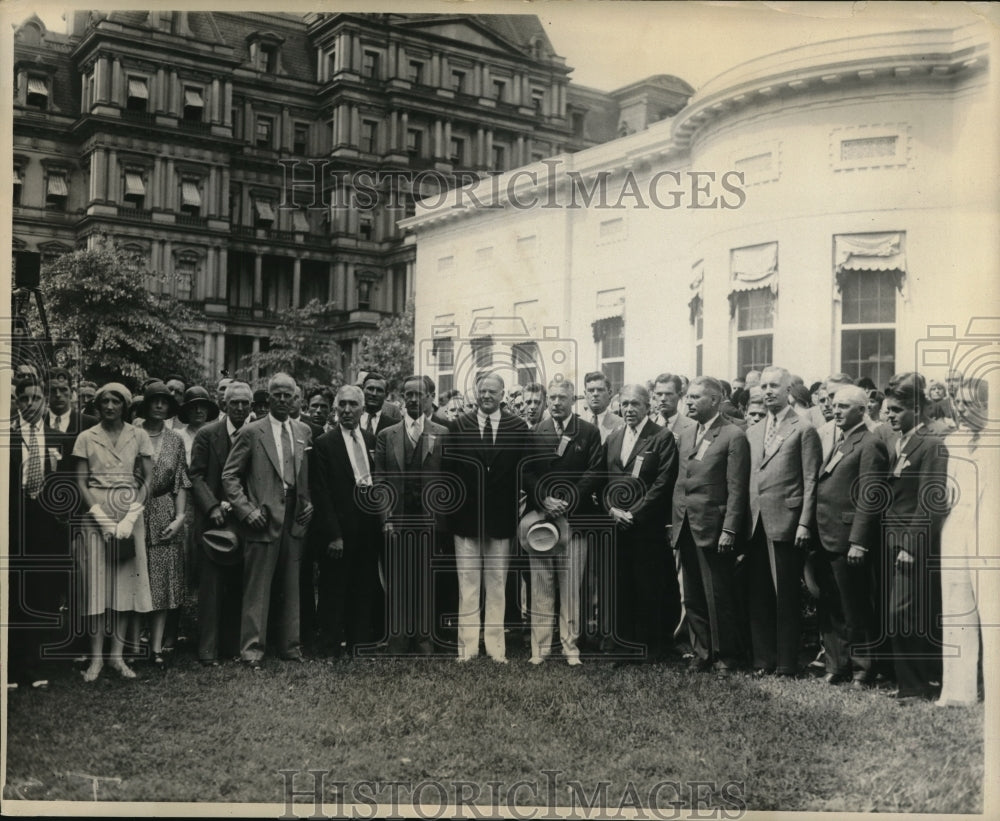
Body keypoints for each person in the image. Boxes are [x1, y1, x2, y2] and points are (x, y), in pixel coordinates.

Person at [221, 373, 314, 669]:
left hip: (294, 519)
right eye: (278, 395)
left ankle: (290, 646)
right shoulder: (252, 432)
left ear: (296, 398)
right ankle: (252, 650)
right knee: (257, 588)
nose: (283, 400)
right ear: (268, 398)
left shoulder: (302, 431)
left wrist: (308, 503)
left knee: (292, 586)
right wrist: (246, 510)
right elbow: (229, 475)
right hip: (262, 518)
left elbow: (305, 475)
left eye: (289, 395)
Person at [444, 372, 530, 663]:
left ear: (503, 394)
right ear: (475, 393)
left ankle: (496, 649)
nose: (487, 396)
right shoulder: (458, 426)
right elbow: (449, 473)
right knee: (467, 586)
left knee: (497, 585)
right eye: (482, 391)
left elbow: (525, 471)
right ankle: (467, 649)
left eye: (493, 391)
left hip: (501, 520)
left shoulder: (518, 427)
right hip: (465, 519)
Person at [73, 383, 154, 681]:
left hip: (129, 513)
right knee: (95, 588)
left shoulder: (139, 435)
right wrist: (105, 521)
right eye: (104, 401)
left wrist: (130, 518)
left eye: (115, 401)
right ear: (98, 405)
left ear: (125, 405)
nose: (109, 406)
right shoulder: (86, 437)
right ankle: (95, 660)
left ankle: (116, 658)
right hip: (95, 516)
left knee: (122, 588)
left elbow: (148, 478)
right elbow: (82, 482)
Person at [745, 366, 821, 676]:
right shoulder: (754, 431)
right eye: (763, 386)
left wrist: (804, 523)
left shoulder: (802, 429)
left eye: (774, 385)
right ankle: (764, 660)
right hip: (755, 522)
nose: (768, 391)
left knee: (785, 595)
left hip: (787, 521)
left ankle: (788, 663)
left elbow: (811, 480)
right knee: (758, 593)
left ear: (788, 388)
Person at [672, 376, 750, 675]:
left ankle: (727, 656)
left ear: (715, 401)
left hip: (714, 528)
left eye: (695, 398)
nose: (688, 402)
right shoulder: (688, 433)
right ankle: (701, 652)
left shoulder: (733, 435)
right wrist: (675, 522)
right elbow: (682, 482)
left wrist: (729, 529)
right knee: (692, 595)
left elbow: (737, 488)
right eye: (688, 397)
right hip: (687, 526)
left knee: (719, 596)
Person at [812, 386, 889, 686]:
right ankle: (837, 664)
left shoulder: (869, 443)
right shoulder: (841, 441)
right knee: (830, 604)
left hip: (848, 538)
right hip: (826, 534)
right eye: (834, 405)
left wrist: (859, 541)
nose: (837, 410)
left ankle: (863, 669)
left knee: (854, 606)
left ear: (863, 410)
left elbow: (870, 497)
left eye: (844, 406)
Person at [523, 378, 603, 666]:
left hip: (575, 518)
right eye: (552, 397)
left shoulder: (588, 432)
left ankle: (571, 647)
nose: (556, 402)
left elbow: (595, 472)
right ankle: (540, 648)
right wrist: (544, 498)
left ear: (573, 399)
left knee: (571, 587)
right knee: (541, 585)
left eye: (562, 397)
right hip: (542, 520)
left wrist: (568, 499)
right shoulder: (536, 432)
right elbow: (527, 472)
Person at [883, 373, 949, 702]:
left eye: (896, 409)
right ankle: (908, 683)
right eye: (888, 409)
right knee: (901, 613)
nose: (889, 415)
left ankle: (918, 685)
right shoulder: (901, 443)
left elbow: (930, 502)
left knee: (904, 613)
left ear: (916, 408)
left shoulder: (932, 446)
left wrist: (910, 546)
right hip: (892, 542)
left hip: (912, 545)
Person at [603, 384, 680, 663]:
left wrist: (634, 513)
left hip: (645, 527)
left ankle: (652, 647)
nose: (629, 410)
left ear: (648, 406)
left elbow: (663, 483)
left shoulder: (661, 437)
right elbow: (603, 480)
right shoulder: (613, 438)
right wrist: (611, 509)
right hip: (617, 526)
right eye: (624, 404)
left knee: (648, 586)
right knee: (621, 586)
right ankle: (623, 646)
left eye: (635, 404)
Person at [373, 375, 449, 655]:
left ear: (430, 396)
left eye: (419, 394)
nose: (414, 399)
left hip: (430, 520)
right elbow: (379, 481)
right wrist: (385, 518)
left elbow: (449, 480)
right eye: (408, 395)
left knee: (426, 581)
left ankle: (425, 641)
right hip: (397, 520)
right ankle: (398, 641)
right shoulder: (387, 435)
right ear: (403, 398)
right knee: (398, 580)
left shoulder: (442, 433)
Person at [8, 376, 72, 689]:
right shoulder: (7, 437)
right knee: (13, 593)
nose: (31, 404)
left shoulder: (59, 437)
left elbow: (68, 483)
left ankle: (34, 666)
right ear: (16, 402)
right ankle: (11, 665)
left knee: (42, 594)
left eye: (37, 398)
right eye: (25, 399)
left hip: (47, 525)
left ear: (44, 402)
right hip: (15, 522)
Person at [310, 385, 382, 656]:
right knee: (333, 589)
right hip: (339, 529)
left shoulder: (371, 439)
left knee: (364, 587)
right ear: (335, 409)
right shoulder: (324, 444)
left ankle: (358, 642)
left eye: (353, 404)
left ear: (362, 409)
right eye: (343, 405)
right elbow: (322, 492)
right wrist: (333, 534)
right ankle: (329, 645)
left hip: (368, 528)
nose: (348, 410)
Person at [937, 378, 994, 706]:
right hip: (957, 527)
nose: (959, 409)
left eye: (967, 403)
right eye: (956, 403)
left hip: (990, 530)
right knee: (957, 608)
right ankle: (958, 692)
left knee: (992, 611)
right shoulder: (954, 440)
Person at [189, 381, 252, 666]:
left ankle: (231, 646)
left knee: (239, 585)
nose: (239, 408)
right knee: (211, 586)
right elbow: (196, 475)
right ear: (224, 405)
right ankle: (207, 649)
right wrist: (212, 505)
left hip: (245, 520)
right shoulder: (207, 434)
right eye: (234, 402)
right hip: (213, 521)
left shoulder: (256, 433)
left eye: (245, 403)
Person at [134, 382, 190, 666]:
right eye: (154, 400)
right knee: (133, 577)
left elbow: (181, 482)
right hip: (132, 509)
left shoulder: (175, 440)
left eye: (164, 401)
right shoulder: (131, 432)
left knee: (162, 581)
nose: (159, 405)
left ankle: (155, 648)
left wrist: (180, 518)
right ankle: (132, 645)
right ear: (146, 403)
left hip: (165, 510)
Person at [176, 386, 221, 467]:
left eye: (202, 406)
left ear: (208, 410)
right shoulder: (178, 436)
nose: (198, 410)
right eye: (193, 407)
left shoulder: (217, 435)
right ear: (187, 411)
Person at [46, 367, 98, 437]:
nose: (58, 394)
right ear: (45, 393)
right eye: (52, 390)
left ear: (71, 392)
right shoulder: (38, 423)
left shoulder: (90, 424)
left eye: (63, 390)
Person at [582, 371, 625, 444]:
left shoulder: (621, 424)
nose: (595, 394)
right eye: (591, 390)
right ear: (585, 394)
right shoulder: (575, 423)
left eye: (600, 390)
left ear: (610, 393)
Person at [652, 373, 695, 444]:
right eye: (659, 394)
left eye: (668, 394)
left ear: (680, 395)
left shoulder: (693, 427)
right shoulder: (647, 426)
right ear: (654, 396)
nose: (663, 399)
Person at [359, 371, 402, 437]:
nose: (374, 394)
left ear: (386, 395)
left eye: (379, 390)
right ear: (362, 390)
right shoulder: (351, 420)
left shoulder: (395, 425)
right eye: (370, 389)